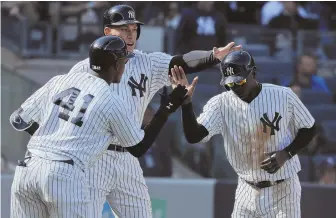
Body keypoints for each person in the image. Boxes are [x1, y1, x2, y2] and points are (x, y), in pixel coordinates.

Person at [67, 4, 242, 217]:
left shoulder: (147, 63)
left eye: (134, 29)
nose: (131, 35)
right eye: (123, 29)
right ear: (107, 32)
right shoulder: (84, 69)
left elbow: (182, 62)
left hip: (128, 159)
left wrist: (213, 56)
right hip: (95, 156)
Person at [9, 35, 188, 217]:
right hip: (63, 173)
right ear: (116, 65)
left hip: (27, 169)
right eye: (124, 62)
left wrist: (48, 139)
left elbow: (18, 119)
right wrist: (167, 108)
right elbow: (138, 147)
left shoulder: (60, 81)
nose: (125, 67)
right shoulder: (109, 100)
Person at [171, 50, 318, 217]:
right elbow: (194, 136)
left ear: (252, 72)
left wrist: (286, 153)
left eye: (239, 82)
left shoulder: (283, 95)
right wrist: (186, 104)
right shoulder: (221, 104)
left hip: (283, 190)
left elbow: (309, 128)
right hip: (247, 189)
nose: (235, 87)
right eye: (230, 84)